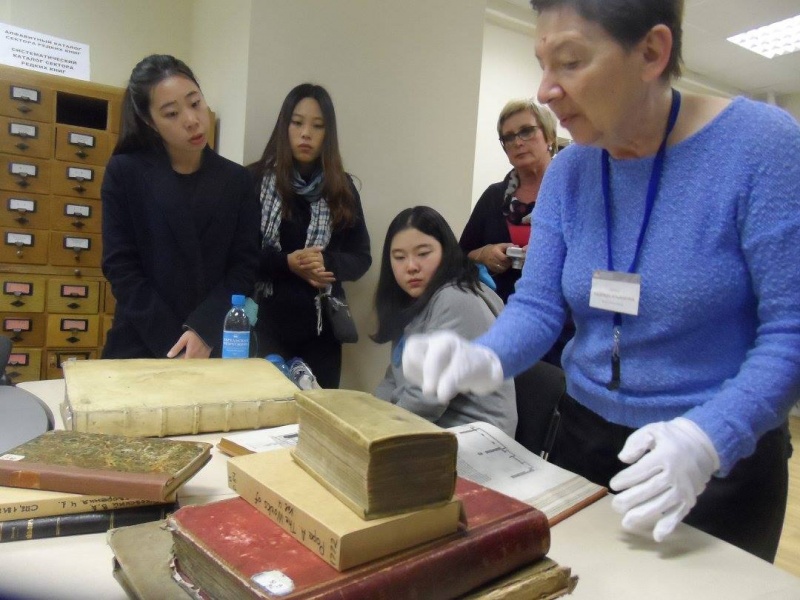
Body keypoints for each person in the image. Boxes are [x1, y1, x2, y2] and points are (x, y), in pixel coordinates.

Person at [402, 0, 800, 562]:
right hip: (583, 437)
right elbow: (539, 307)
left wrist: (708, 438)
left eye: (570, 62)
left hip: (713, 459)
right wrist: (484, 357)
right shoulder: (571, 169)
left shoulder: (761, 147)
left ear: (652, 52)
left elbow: (790, 333)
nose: (545, 90)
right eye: (542, 64)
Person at [101, 55, 260, 359]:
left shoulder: (237, 180)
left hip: (212, 342)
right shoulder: (125, 172)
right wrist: (174, 342)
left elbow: (244, 266)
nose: (191, 120)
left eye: (195, 103)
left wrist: (203, 330)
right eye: (172, 113)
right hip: (141, 342)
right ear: (149, 121)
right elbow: (120, 267)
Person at [249, 84, 371, 389]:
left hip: (321, 331)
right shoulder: (254, 180)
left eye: (318, 126)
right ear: (284, 126)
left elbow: (361, 257)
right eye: (297, 122)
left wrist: (324, 262)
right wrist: (287, 263)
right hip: (264, 323)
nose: (306, 134)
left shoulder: (342, 188)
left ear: (328, 134)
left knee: (320, 411)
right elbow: (239, 254)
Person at [372, 206, 517, 437]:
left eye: (423, 254)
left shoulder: (456, 298)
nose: (411, 267)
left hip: (475, 439)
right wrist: (366, 415)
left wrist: (374, 432)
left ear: (446, 253)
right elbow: (394, 379)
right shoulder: (413, 300)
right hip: (435, 427)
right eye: (399, 257)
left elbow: (426, 400)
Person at [460, 98, 573, 366]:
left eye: (526, 131)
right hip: (500, 323)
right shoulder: (494, 197)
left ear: (549, 136)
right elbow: (459, 255)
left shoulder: (573, 194)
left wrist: (550, 259)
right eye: (508, 137)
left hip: (561, 330)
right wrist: (484, 253)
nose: (517, 142)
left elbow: (600, 260)